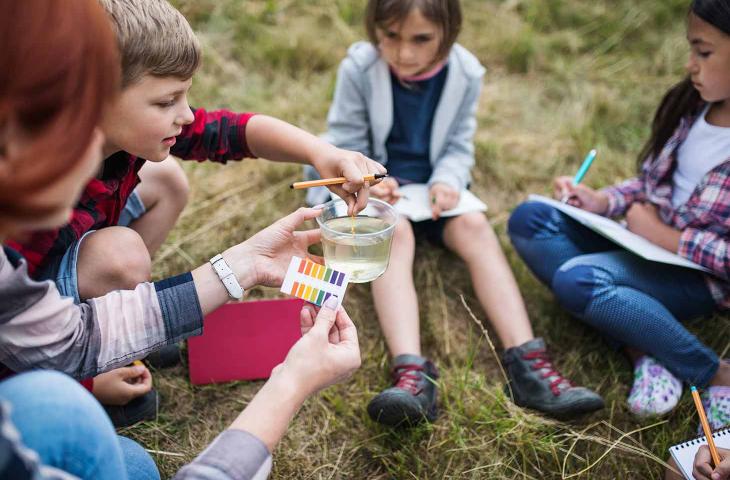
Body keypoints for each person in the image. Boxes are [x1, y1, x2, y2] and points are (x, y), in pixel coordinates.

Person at [0, 1, 361, 477]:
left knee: (166, 180)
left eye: (185, 97)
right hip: (34, 320)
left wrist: (322, 152)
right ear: (90, 103)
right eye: (166, 102)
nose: (186, 116)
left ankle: (128, 330)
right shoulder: (25, 222)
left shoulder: (114, 137)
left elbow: (228, 130)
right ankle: (104, 359)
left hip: (43, 305)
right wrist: (87, 381)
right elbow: (26, 339)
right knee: (122, 259)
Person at [307, 0, 604, 426]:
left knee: (476, 227)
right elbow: (346, 141)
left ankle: (531, 368)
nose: (404, 52)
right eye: (391, 36)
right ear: (376, 28)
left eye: (420, 39)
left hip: (434, 192)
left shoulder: (466, 72)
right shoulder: (359, 68)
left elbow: (459, 146)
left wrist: (448, 181)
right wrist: (372, 180)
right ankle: (411, 374)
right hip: (378, 190)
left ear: (447, 32)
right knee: (397, 235)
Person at [508, 0, 730, 422]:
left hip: (697, 277)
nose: (691, 65)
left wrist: (662, 236)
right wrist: (602, 202)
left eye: (703, 52)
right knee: (529, 219)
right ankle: (645, 347)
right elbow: (650, 183)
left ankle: (714, 373)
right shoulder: (693, 107)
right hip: (643, 244)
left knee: (578, 279)